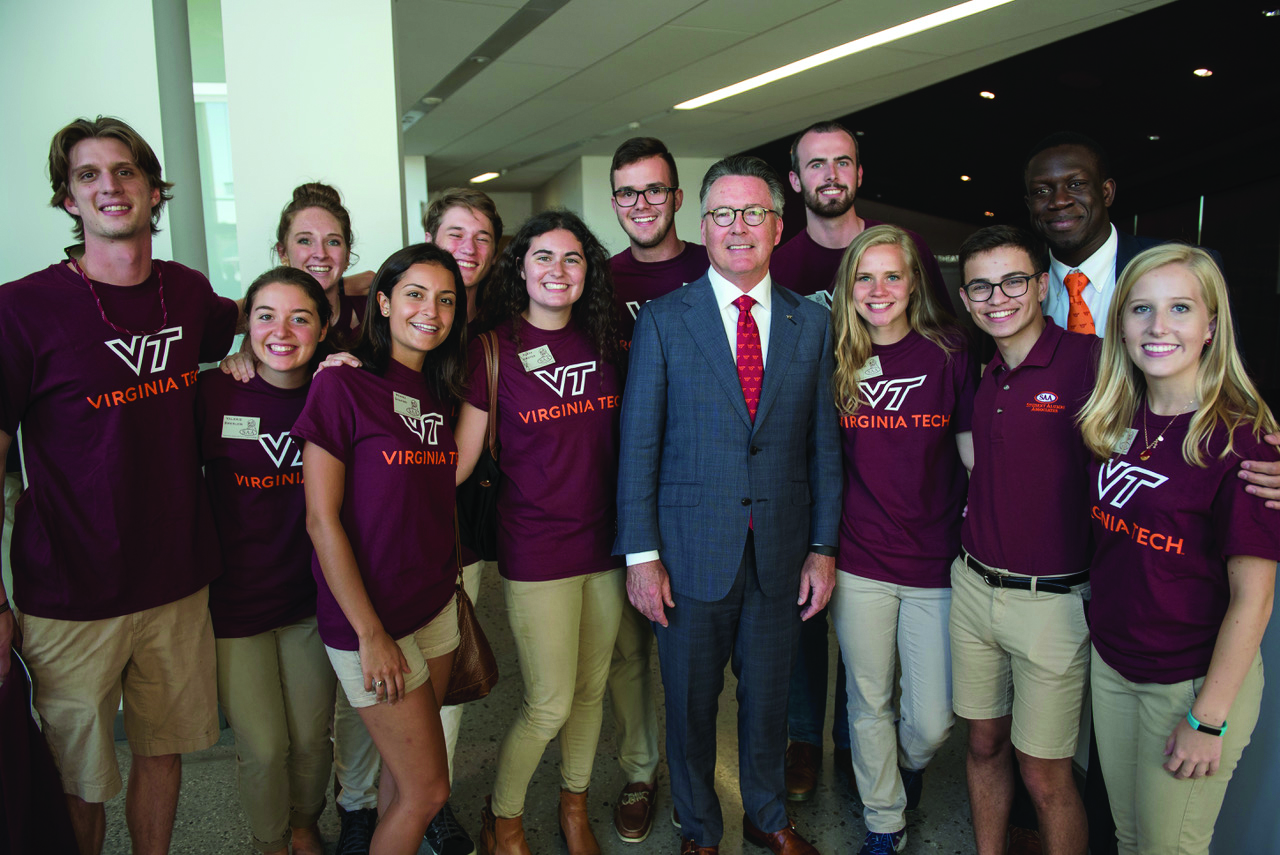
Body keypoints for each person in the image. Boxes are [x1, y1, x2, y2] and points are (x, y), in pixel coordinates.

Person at [0, 115, 238, 855]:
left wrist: (349, 292)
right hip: (70, 593)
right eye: (88, 174)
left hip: (175, 579)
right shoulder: (19, 309)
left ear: (154, 188)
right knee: (81, 776)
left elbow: (262, 334)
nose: (110, 186)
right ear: (68, 199)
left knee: (163, 751)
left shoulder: (189, 294)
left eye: (126, 170)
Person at [616, 155, 841, 855]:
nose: (737, 227)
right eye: (722, 213)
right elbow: (639, 446)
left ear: (778, 225)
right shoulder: (662, 319)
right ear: (702, 223)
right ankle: (700, 826)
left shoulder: (812, 323)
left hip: (781, 550)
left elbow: (823, 449)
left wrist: (824, 547)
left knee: (768, 699)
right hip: (686, 555)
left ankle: (766, 814)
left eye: (752, 213)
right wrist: (642, 556)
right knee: (688, 703)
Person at [769, 120, 952, 799]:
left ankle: (858, 746)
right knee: (805, 613)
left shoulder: (909, 253)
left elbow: (943, 342)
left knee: (867, 638)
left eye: (842, 162)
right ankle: (803, 739)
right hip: (805, 468)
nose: (830, 175)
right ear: (796, 180)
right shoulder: (781, 265)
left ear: (859, 173)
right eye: (816, 165)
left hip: (887, 485)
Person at [1078, 245, 1279, 854]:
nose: (1158, 327)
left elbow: (1254, 598)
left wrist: (1207, 718)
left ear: (1211, 326)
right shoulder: (1114, 418)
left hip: (1188, 685)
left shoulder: (1246, 442)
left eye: (1181, 308)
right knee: (1131, 837)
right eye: (1141, 309)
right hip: (1114, 667)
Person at [453, 210, 625, 855]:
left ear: (588, 272)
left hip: (605, 547)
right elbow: (462, 463)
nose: (558, 270)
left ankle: (573, 805)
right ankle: (504, 817)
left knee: (590, 692)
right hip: (536, 551)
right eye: (544, 257)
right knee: (548, 703)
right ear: (519, 267)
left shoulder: (608, 339)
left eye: (573, 258)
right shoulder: (491, 349)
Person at [292, 243, 468, 855]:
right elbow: (321, 521)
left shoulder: (441, 394)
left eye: (446, 300)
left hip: (435, 609)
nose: (431, 311)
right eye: (415, 295)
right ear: (385, 303)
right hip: (371, 622)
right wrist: (370, 634)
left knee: (403, 778)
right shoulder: (342, 386)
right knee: (429, 791)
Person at [828, 225, 976, 855]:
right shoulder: (839, 358)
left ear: (914, 282)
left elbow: (976, 459)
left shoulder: (950, 354)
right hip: (860, 559)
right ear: (849, 287)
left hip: (934, 564)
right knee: (866, 700)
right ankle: (883, 821)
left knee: (933, 721)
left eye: (893, 275)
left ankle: (907, 767)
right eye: (865, 276)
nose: (879, 289)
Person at [952, 226, 1096, 855]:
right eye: (981, 286)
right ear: (965, 297)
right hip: (975, 588)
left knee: (1045, 772)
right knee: (983, 743)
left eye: (1013, 281)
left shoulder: (1090, 362)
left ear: (1041, 286)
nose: (998, 297)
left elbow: (1176, 421)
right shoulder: (984, 372)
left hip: (1054, 605)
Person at [197, 267, 335, 855]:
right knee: (261, 746)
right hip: (234, 604)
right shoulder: (214, 392)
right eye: (265, 316)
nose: (281, 331)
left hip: (310, 599)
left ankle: (304, 825)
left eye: (300, 317)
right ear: (244, 325)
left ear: (325, 328)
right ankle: (269, 841)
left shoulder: (337, 392)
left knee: (309, 739)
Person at [605, 136, 709, 843]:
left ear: (676, 197)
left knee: (696, 656)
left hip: (703, 492)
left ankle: (696, 780)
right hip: (622, 487)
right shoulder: (597, 281)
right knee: (629, 652)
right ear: (615, 202)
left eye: (654, 190)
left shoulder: (713, 269)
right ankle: (641, 771)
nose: (642, 204)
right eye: (627, 192)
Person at [275, 182, 364, 348]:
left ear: (347, 254)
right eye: (305, 240)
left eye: (332, 242)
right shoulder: (266, 329)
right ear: (283, 252)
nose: (321, 254)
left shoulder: (376, 315)